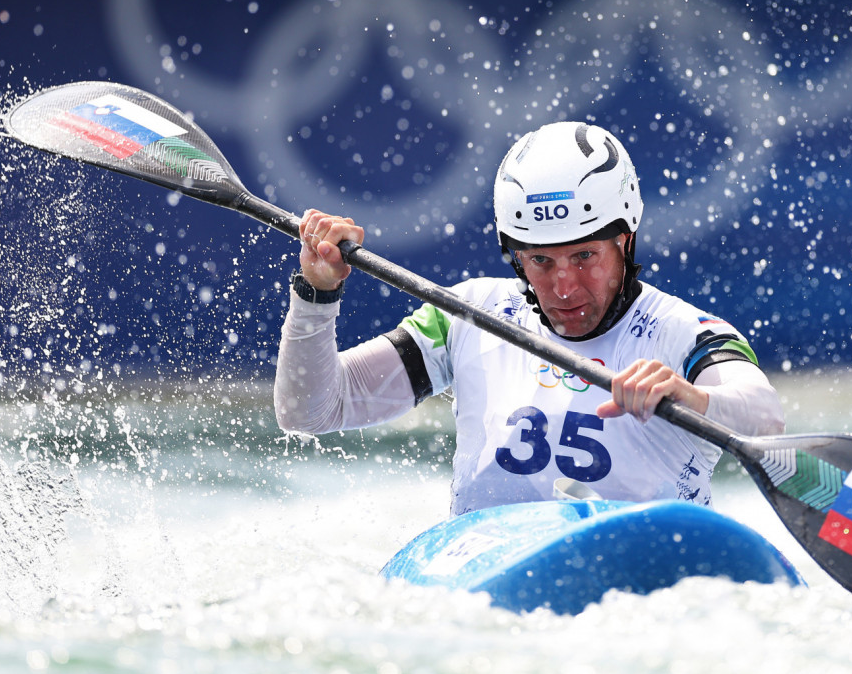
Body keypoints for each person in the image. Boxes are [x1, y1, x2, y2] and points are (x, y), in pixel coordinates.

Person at [275, 121, 783, 515]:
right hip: (495, 575)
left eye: (585, 257)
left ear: (624, 241)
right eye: (540, 260)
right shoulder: (468, 315)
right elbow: (312, 412)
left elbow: (764, 417)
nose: (564, 287)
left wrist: (692, 398)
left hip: (644, 574)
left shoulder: (687, 333)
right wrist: (316, 296)